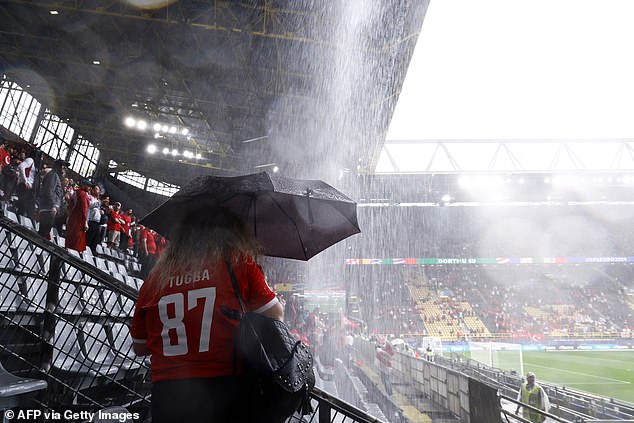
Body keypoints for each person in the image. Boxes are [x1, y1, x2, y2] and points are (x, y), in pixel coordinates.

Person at [130, 208, 284, 423]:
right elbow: (276, 315)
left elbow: (140, 346)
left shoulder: (154, 280)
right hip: (224, 390)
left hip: (168, 394)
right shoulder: (239, 264)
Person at [37, 159, 67, 240]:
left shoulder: (54, 175)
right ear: (58, 166)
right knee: (43, 233)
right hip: (48, 208)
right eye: (63, 166)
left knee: (44, 233)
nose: (64, 168)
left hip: (49, 208)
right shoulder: (53, 175)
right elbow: (49, 190)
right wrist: (53, 205)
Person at [64, 179, 90, 252]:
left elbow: (70, 206)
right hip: (79, 221)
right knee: (76, 243)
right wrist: (85, 222)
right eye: (88, 186)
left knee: (69, 239)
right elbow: (83, 209)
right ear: (84, 186)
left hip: (72, 218)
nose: (89, 188)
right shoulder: (83, 194)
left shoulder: (76, 193)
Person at [16, 149, 36, 219]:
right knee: (22, 207)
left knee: (25, 208)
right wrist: (25, 181)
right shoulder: (30, 160)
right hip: (24, 186)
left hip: (28, 188)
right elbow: (21, 166)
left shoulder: (35, 163)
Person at [86, 184, 102, 254]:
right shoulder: (89, 197)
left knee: (95, 239)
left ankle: (92, 251)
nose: (98, 191)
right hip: (91, 220)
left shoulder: (97, 200)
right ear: (92, 190)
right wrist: (99, 203)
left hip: (97, 221)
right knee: (89, 238)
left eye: (98, 189)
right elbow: (90, 205)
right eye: (96, 189)